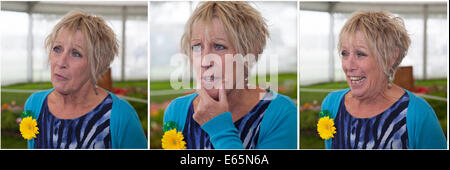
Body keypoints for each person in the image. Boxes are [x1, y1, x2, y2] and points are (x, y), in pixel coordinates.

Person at [163, 1, 297, 149]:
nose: (205, 61)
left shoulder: (281, 114)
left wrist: (221, 130)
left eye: (219, 46)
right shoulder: (177, 110)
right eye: (196, 46)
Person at [321, 10, 446, 149]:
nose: (348, 66)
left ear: (390, 57)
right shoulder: (332, 105)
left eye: (360, 54)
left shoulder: (418, 114)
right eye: (344, 53)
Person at [23, 10, 147, 149]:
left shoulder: (121, 116)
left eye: (76, 53)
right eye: (57, 49)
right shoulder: (35, 105)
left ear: (97, 64)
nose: (61, 62)